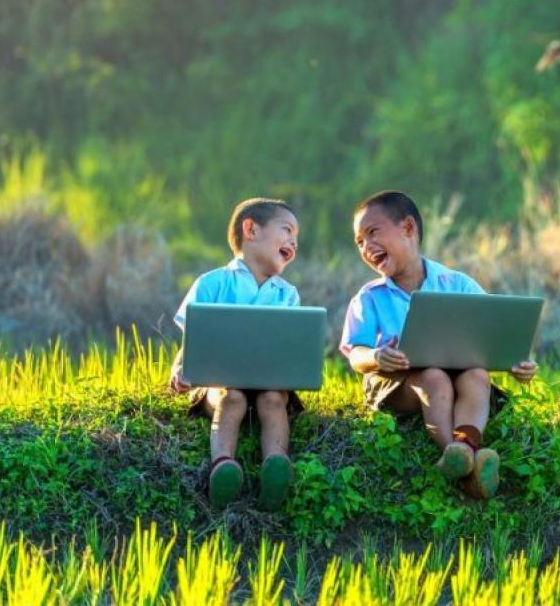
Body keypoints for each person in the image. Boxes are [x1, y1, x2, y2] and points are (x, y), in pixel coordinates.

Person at [340, 190, 536, 499]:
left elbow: (494, 330)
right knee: (434, 378)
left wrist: (517, 362)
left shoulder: (455, 283)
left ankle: (464, 448)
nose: (366, 246)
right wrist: (378, 357)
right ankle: (458, 456)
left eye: (373, 233)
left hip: (456, 375)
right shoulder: (369, 297)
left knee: (477, 376)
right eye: (359, 241)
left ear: (408, 228)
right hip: (397, 383)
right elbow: (356, 354)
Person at [168, 197, 302, 511]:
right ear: (251, 230)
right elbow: (192, 340)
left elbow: (290, 347)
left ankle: (276, 466)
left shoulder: (287, 294)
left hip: (269, 382)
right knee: (233, 398)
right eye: (287, 230)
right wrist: (180, 368)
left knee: (273, 399)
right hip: (220, 382)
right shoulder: (212, 283)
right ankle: (223, 466)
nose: (294, 241)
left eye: (297, 236)